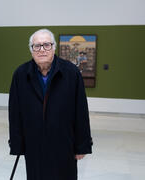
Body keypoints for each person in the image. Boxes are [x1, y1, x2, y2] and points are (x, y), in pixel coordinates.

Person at [8, 29, 93, 180]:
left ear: (54, 47)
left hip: (64, 143)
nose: (42, 50)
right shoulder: (21, 74)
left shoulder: (71, 73)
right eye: (37, 46)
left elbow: (81, 111)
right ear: (31, 50)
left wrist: (82, 145)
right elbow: (15, 113)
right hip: (34, 143)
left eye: (46, 45)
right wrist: (17, 144)